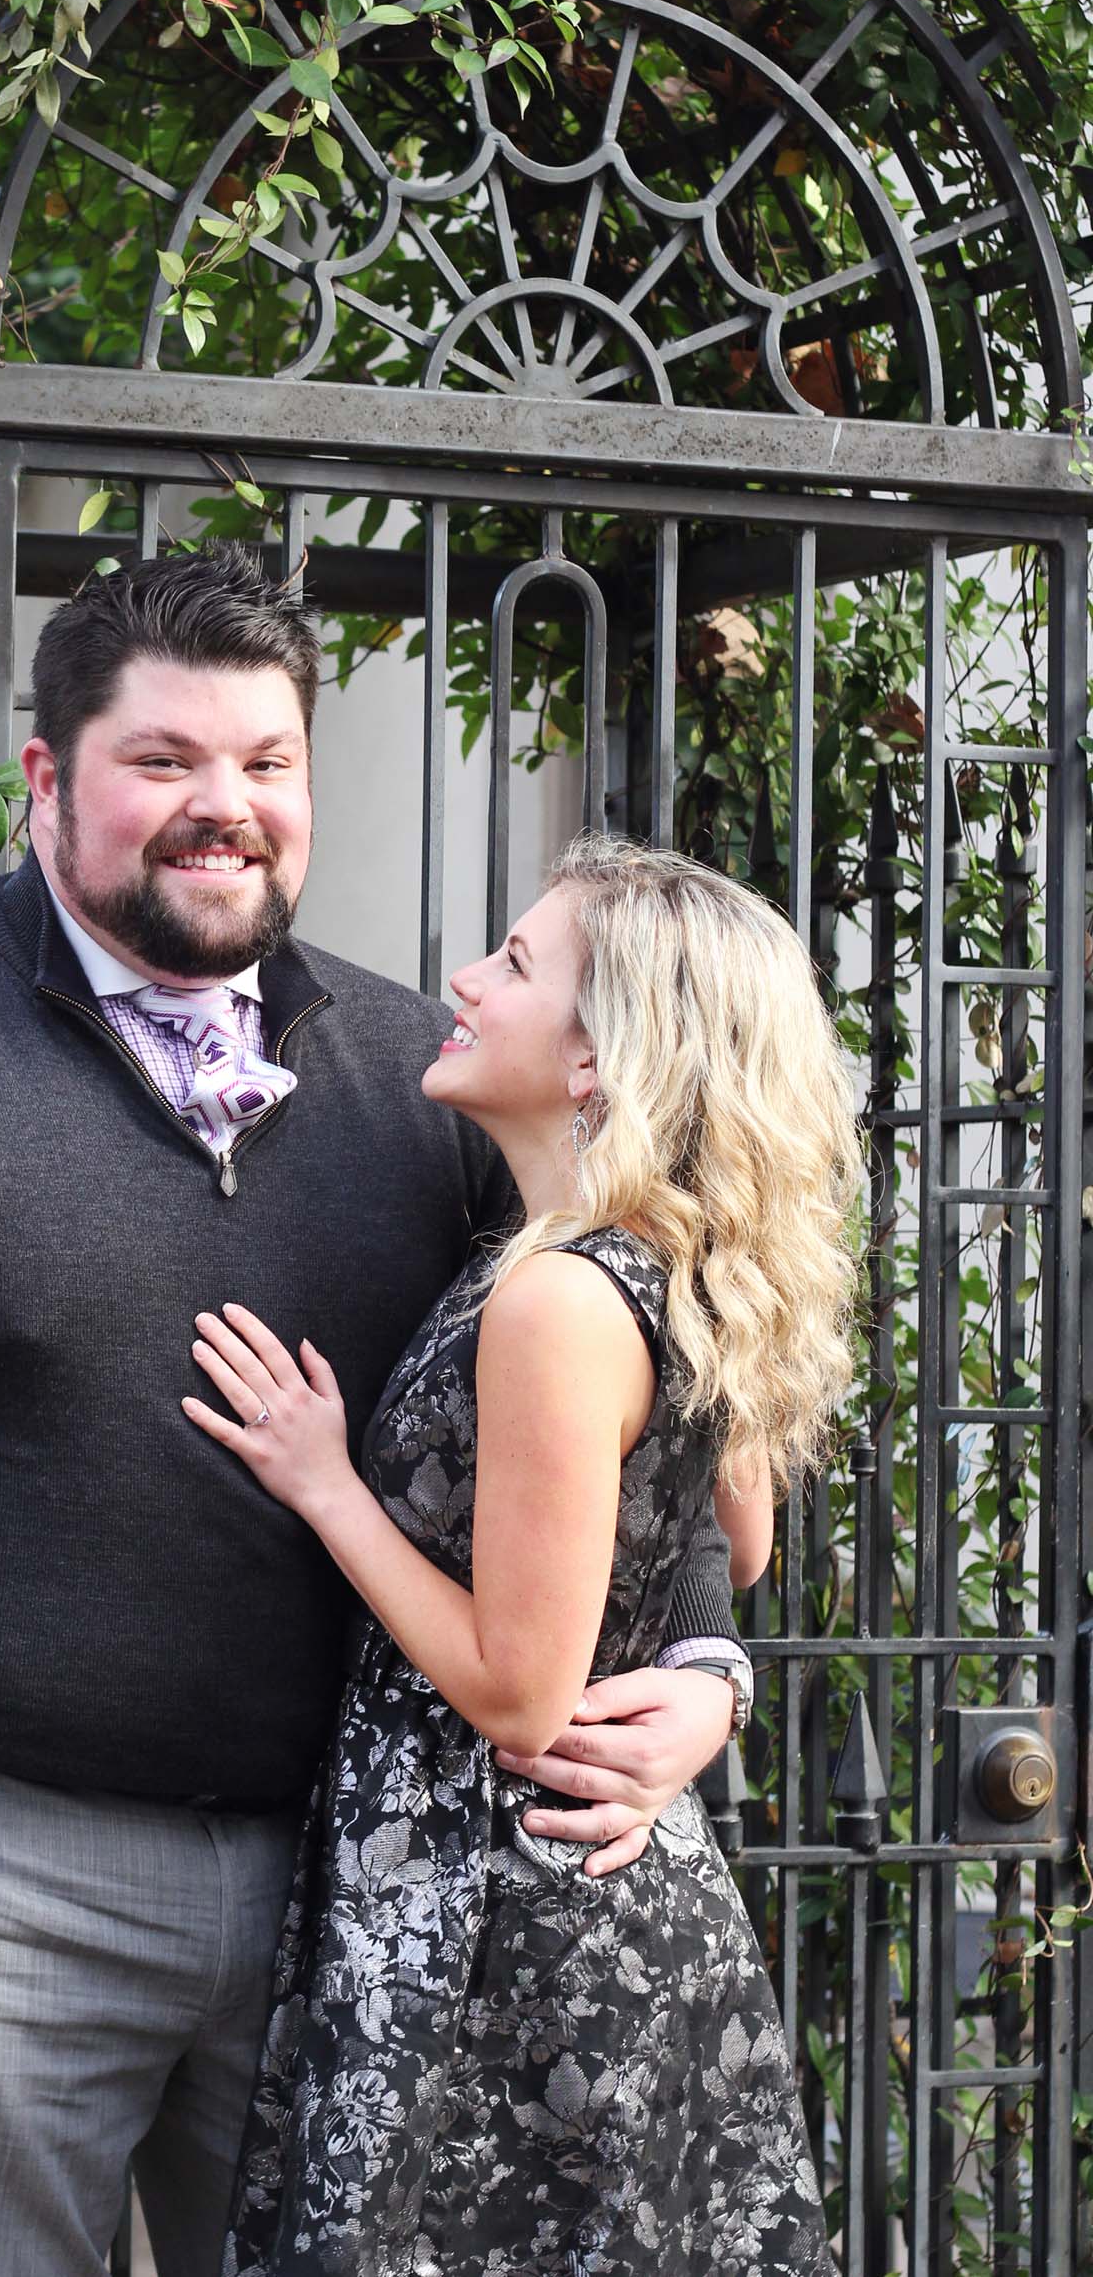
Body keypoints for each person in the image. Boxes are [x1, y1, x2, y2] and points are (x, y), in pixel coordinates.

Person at [0, 548, 754, 2277]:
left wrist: (703, 1675)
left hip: (351, 1891)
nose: (227, 808)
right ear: (45, 781)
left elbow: (629, 1409)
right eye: (165, 761)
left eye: (267, 762)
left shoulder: (422, 1078)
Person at [187, 831, 856, 2275]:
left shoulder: (556, 1297)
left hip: (505, 1920)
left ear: (597, 1054)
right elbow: (736, 1543)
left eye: (513, 962)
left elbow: (520, 1694)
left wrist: (329, 1486)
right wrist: (710, 1676)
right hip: (601, 1896)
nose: (465, 979)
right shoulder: (677, 1260)